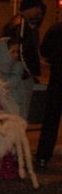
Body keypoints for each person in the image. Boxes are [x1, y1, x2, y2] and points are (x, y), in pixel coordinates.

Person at [35, 20, 62, 169]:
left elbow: (44, 50)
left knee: (51, 119)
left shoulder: (55, 28)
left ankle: (43, 156)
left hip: (57, 78)